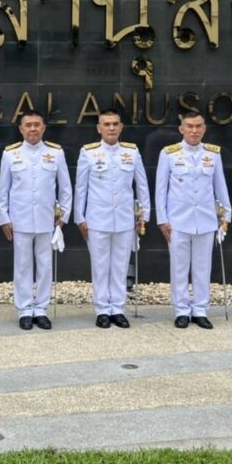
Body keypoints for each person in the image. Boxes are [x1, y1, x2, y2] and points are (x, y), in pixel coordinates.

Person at [155, 111, 231, 330]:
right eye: (189, 126)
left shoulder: (213, 154)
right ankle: (181, 310)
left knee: (202, 267)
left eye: (198, 126)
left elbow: (220, 186)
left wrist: (226, 215)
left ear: (204, 129)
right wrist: (162, 219)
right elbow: (160, 189)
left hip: (205, 220)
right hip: (178, 220)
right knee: (179, 267)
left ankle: (200, 309)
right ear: (181, 129)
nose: (194, 131)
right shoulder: (169, 154)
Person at [74, 109, 150, 329]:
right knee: (100, 267)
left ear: (121, 127)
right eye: (106, 124)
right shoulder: (88, 152)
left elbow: (142, 185)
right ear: (99, 128)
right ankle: (102, 310)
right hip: (97, 219)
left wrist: (143, 215)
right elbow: (81, 188)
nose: (111, 128)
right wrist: (79, 217)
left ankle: (117, 308)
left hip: (125, 219)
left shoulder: (131, 152)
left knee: (120, 265)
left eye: (115, 124)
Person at [0, 110, 72, 331]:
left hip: (47, 219)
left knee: (45, 266)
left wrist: (63, 216)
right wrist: (4, 218)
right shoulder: (10, 154)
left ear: (43, 128)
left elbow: (65, 189)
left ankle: (41, 310)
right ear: (21, 129)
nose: (32, 129)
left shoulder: (55, 153)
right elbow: (3, 190)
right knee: (22, 266)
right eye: (28, 125)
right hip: (19, 219)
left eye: (36, 125)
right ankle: (24, 310)